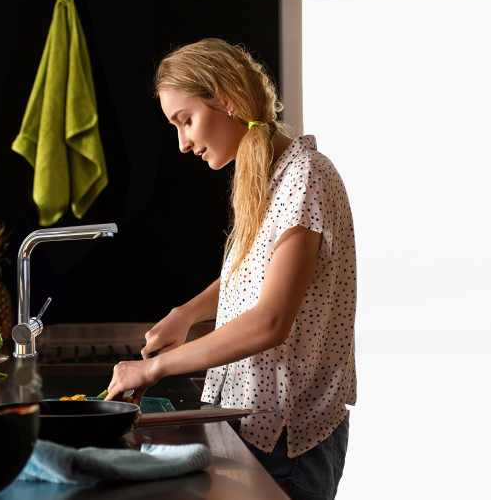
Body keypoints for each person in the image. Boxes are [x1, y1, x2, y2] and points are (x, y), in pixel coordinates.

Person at [104, 38, 356, 500]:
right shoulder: (267, 177)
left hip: (289, 437)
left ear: (228, 100)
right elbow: (256, 274)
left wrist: (153, 369)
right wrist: (187, 313)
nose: (182, 144)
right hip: (252, 422)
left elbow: (271, 322)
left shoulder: (307, 176)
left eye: (186, 121)